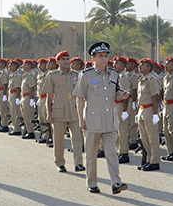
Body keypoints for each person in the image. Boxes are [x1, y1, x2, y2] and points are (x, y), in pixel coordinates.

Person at [73, 42, 129, 194]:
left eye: (105, 56)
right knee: (91, 154)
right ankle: (92, 183)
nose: (104, 59)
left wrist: (121, 96)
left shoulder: (114, 74)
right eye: (100, 56)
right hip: (93, 120)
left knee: (112, 153)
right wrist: (81, 119)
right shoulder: (86, 75)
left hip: (110, 119)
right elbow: (79, 98)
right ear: (93, 58)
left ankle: (116, 182)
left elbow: (115, 94)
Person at [42, 51, 85, 173]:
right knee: (58, 139)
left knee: (77, 138)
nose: (66, 61)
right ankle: (60, 162)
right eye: (63, 59)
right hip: (59, 112)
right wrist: (49, 113)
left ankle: (78, 163)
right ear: (58, 62)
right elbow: (49, 96)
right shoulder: (52, 75)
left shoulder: (77, 75)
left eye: (67, 59)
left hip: (74, 111)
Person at [135, 58, 162, 171]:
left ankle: (155, 161)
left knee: (152, 137)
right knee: (144, 137)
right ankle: (149, 159)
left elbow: (155, 97)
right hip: (142, 109)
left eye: (143, 65)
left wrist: (155, 114)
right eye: (140, 64)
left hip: (150, 110)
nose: (140, 66)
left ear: (149, 68)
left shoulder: (152, 79)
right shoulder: (142, 79)